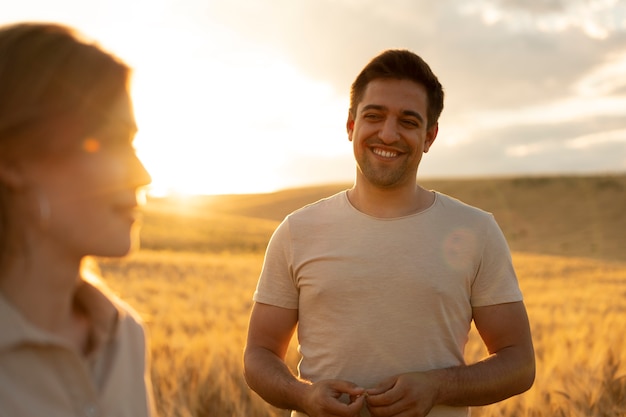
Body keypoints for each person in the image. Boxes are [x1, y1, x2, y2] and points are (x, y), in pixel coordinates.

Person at [243, 49, 535, 417]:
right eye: (374, 116)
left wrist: (438, 386)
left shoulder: (475, 231)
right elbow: (259, 354)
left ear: (429, 136)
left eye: (408, 121)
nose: (388, 133)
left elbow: (519, 363)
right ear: (351, 125)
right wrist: (303, 396)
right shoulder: (296, 231)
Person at [0, 22, 156, 416]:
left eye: (133, 143)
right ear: (13, 159)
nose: (143, 175)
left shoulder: (125, 338)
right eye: (107, 142)